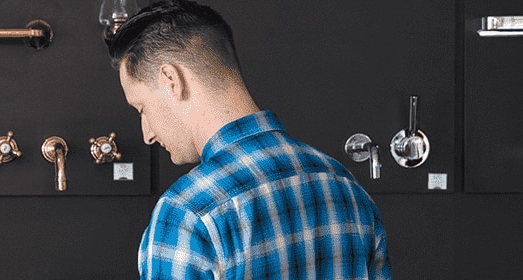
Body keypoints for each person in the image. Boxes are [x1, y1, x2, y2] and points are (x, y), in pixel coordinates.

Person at [105, 1, 391, 279]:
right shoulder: (346, 186)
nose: (147, 134)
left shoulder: (188, 215)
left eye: (142, 109)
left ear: (171, 79)